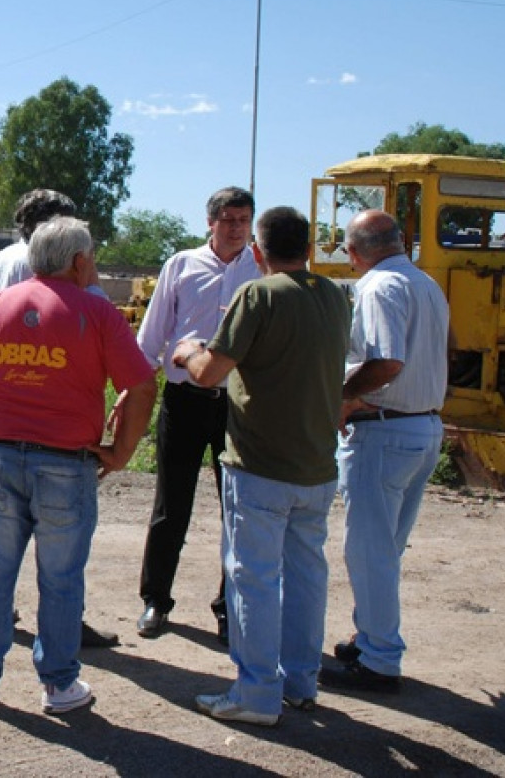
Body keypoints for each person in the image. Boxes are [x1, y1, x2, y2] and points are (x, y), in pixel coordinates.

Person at [0, 216, 157, 714]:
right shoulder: (97, 314)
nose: (94, 265)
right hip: (67, 464)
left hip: (4, 456)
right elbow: (141, 386)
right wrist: (121, 453)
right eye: (92, 257)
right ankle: (58, 685)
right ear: (79, 262)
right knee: (60, 578)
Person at [175, 206, 351, 726]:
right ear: (310, 249)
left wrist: (186, 351)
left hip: (260, 465)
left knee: (251, 578)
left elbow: (210, 373)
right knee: (306, 576)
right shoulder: (336, 298)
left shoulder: (259, 294)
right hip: (316, 466)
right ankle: (300, 681)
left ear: (257, 251)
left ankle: (255, 692)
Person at [0, 188, 118, 649]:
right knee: (60, 547)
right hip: (53, 418)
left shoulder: (1, 260)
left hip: (6, 410)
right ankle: (61, 633)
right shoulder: (43, 268)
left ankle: (0, 623)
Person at [319, 209, 449, 694]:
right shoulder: (427, 285)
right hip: (422, 426)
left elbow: (387, 360)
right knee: (385, 548)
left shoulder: (378, 287)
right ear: (401, 241)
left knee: (369, 549)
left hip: (384, 427)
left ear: (353, 252)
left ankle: (378, 659)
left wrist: (340, 397)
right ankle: (370, 637)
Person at [124, 186, 260, 643]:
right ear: (210, 222)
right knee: (171, 505)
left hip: (239, 405)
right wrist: (133, 389)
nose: (236, 227)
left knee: (237, 510)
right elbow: (153, 333)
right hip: (183, 400)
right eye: (228, 219)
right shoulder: (181, 265)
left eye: (244, 219)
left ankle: (229, 608)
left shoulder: (260, 270)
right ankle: (154, 601)